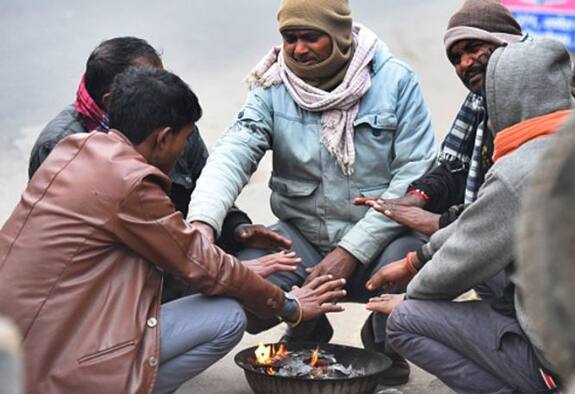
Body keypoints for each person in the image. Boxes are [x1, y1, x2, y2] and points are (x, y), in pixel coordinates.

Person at [0, 66, 346, 393]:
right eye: (185, 138)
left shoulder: (72, 150)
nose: (185, 148)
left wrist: (235, 269)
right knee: (226, 317)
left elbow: (183, 256)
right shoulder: (130, 184)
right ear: (163, 138)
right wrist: (288, 305)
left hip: (20, 343)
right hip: (55, 359)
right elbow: (201, 265)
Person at [367, 39, 575, 392]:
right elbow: (477, 227)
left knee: (405, 322)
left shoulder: (522, 169)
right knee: (486, 270)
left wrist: (410, 295)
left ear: (506, 98)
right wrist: (416, 259)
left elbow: (459, 261)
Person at [186, 0, 436, 384]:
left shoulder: (396, 82)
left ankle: (385, 343)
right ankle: (306, 329)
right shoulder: (272, 86)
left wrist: (350, 251)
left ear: (339, 36)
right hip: (302, 241)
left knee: (419, 263)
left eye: (310, 37)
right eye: (290, 38)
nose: (298, 49)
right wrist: (203, 225)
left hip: (380, 243)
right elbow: (231, 155)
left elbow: (415, 176)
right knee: (245, 285)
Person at [28, 36, 290, 302]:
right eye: (152, 81)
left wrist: (236, 228)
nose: (165, 88)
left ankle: (305, 330)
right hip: (115, 281)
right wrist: (210, 269)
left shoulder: (170, 118)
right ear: (114, 100)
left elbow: (204, 184)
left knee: (272, 266)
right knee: (228, 309)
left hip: (178, 244)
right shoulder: (59, 147)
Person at [354, 0, 528, 237]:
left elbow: (510, 207)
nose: (465, 63)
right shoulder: (478, 102)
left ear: (506, 42)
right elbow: (454, 169)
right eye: (456, 58)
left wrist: (439, 224)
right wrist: (417, 197)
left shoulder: (540, 99)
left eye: (474, 47)